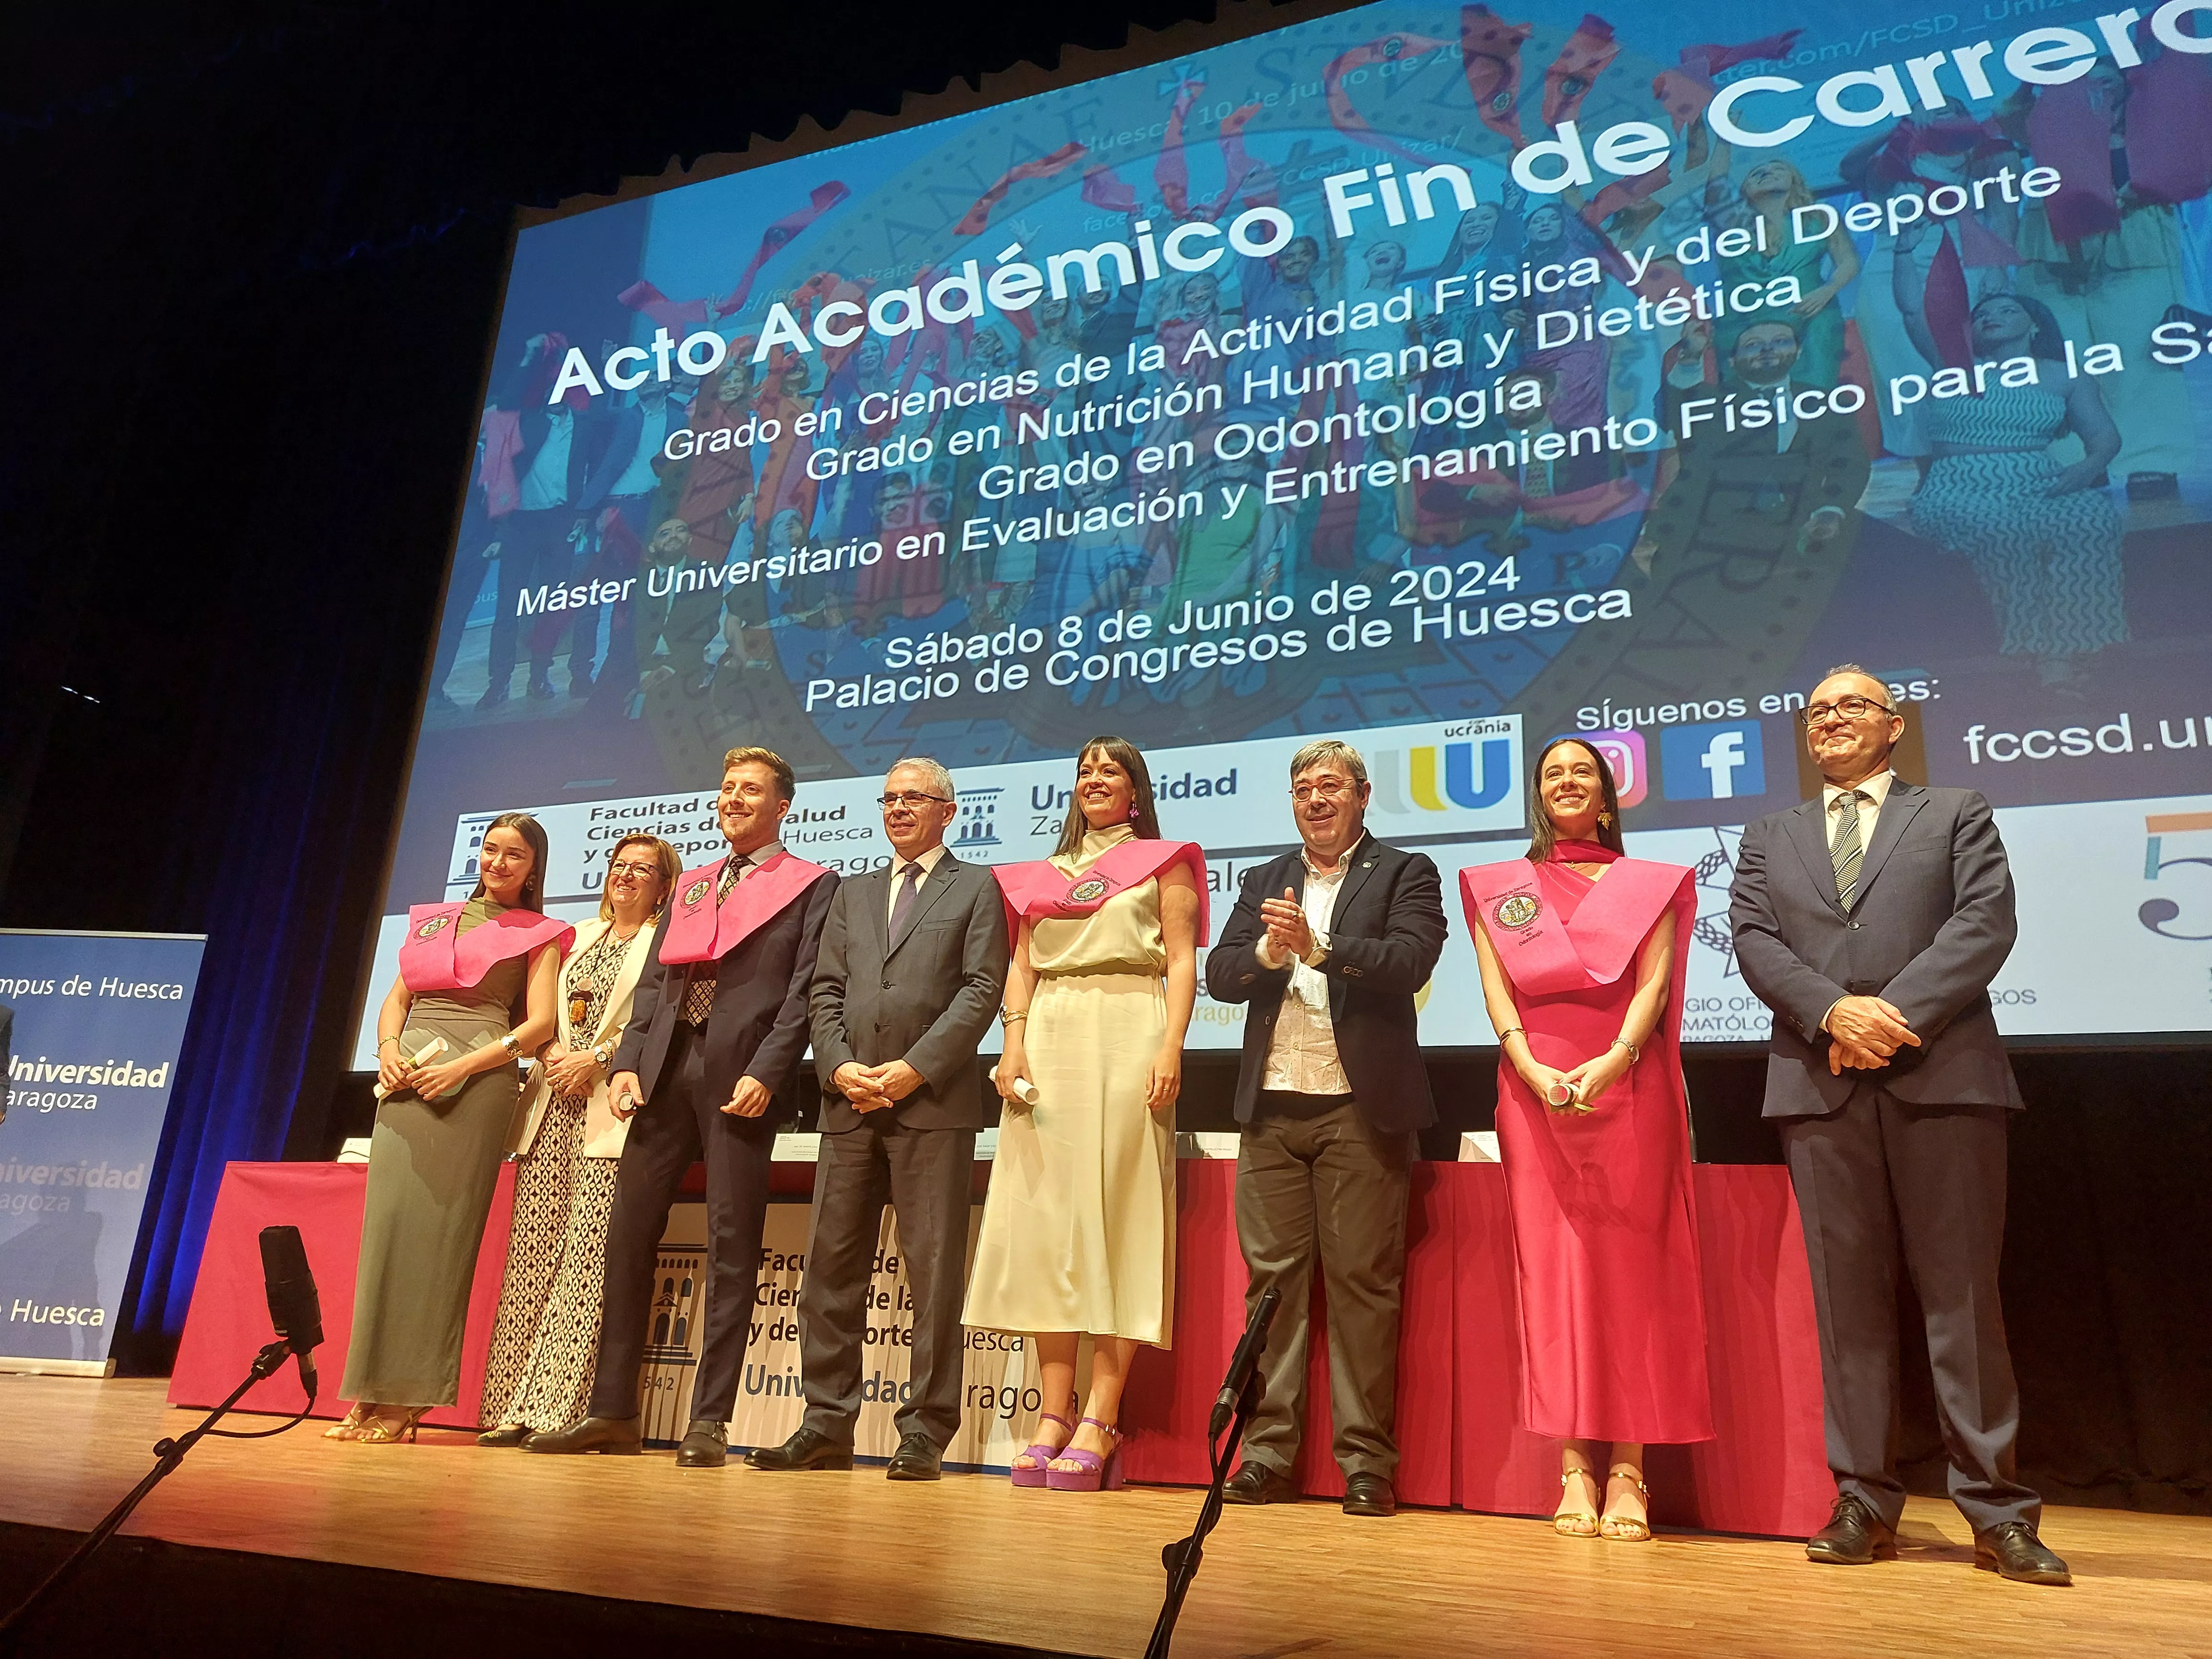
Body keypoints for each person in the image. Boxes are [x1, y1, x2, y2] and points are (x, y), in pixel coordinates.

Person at [1729, 665, 2069, 1585]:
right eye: (1815, 712)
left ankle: (1995, 1511)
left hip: (1942, 1079)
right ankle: (1862, 1500)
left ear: (1891, 726)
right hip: (1816, 1084)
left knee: (1960, 1301)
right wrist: (1832, 1013)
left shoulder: (1955, 809)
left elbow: (1982, 923)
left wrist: (1885, 1014)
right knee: (1847, 1310)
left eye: (1850, 707)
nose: (1830, 720)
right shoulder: (1768, 836)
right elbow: (1754, 940)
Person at [527, 748, 837, 1468]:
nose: (733, 799)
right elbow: (654, 990)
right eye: (727, 788)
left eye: (750, 790)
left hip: (741, 1079)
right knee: (628, 1239)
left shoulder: (812, 886)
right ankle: (611, 1412)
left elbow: (804, 992)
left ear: (782, 806)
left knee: (733, 1250)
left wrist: (770, 1070)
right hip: (666, 1074)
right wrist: (629, 1065)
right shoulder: (694, 885)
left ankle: (710, 1421)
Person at [1461, 738, 1711, 1541]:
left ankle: (1630, 1468)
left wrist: (1615, 1059)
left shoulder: (1649, 885)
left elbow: (1654, 982)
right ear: (1538, 794)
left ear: (1606, 796)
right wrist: (1527, 1065)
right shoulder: (1500, 887)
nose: (1566, 781)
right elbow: (1495, 985)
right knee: (1555, 1275)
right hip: (1534, 1088)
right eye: (1551, 773)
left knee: (1634, 1274)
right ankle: (1572, 1465)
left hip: (1628, 1085)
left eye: (1582, 771)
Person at [1204, 739, 1446, 1518]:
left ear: (1361, 795)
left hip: (1357, 1111)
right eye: (1302, 786)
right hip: (1270, 1112)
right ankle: (1265, 1457)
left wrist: (1324, 948)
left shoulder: (1405, 872)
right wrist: (1272, 953)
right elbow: (1220, 974)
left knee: (1361, 1293)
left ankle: (1365, 1464)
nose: (1315, 798)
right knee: (1270, 1294)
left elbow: (1409, 960)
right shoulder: (1263, 877)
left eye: (1329, 785)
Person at [747, 760, 1009, 1480]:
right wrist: (836, 1067)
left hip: (931, 1106)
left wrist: (913, 1069)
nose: (898, 810)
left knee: (933, 1276)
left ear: (948, 812)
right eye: (889, 799)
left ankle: (924, 1431)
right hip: (849, 1105)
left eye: (914, 799)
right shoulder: (853, 891)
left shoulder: (978, 887)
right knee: (830, 1274)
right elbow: (825, 990)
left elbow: (982, 990)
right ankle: (826, 1424)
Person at [963, 737, 1203, 1492]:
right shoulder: (1043, 877)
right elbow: (1022, 965)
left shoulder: (1162, 861)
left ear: (1135, 791)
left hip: (1129, 1026)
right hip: (1050, 1036)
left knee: (1115, 1217)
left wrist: (1171, 1047)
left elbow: (1181, 960)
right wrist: (1014, 1043)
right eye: (1085, 772)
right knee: (1045, 1224)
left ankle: (1103, 1413)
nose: (1095, 781)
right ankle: (1053, 1414)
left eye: (1112, 772)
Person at [335, 814, 571, 1444]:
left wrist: (465, 1067)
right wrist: (386, 1045)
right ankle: (368, 1391)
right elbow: (398, 997)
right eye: (490, 850)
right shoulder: (436, 920)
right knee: (387, 1238)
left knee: (441, 1245)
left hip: (477, 1085)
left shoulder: (543, 933)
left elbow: (541, 1025)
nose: (497, 862)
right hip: (406, 1083)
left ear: (533, 868)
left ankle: (409, 1401)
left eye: (514, 855)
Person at [476, 833, 678, 1446]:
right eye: (619, 867)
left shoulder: (662, 945)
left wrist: (597, 1058)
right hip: (549, 1101)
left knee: (584, 1263)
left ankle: (555, 1407)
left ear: (664, 887)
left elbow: (650, 1023)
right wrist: (555, 1051)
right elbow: (538, 1014)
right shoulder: (574, 938)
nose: (626, 877)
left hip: (607, 1110)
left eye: (642, 870)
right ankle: (509, 1405)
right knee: (532, 1255)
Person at [1891, 254, 2126, 696]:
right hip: (1958, 485)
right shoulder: (1952, 367)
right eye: (1982, 315)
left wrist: (2086, 471)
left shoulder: (2063, 376)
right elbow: (1909, 308)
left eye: (2006, 310)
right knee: (2007, 532)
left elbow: (2105, 439)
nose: (1992, 317)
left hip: (2040, 479)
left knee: (2092, 522)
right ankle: (2042, 657)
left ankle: (2084, 646)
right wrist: (1905, 247)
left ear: (2034, 324)